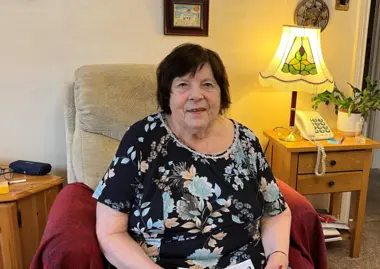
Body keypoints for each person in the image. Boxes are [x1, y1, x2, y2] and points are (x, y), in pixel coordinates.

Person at [93, 43, 292, 269]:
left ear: (221, 92)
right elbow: (110, 232)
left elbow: (275, 212)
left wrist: (278, 256)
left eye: (207, 84)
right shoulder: (142, 139)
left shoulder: (245, 140)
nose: (196, 95)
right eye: (183, 85)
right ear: (167, 94)